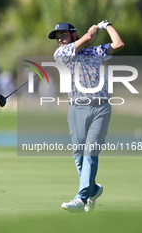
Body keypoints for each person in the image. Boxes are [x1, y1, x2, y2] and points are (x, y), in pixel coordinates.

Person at [49, 20, 124, 212]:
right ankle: (93, 190)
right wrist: (94, 29)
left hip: (101, 108)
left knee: (90, 152)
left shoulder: (94, 52)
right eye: (58, 38)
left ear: (74, 35)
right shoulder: (61, 53)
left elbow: (118, 44)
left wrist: (107, 25)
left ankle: (81, 198)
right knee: (78, 154)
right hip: (77, 109)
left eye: (63, 36)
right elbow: (89, 37)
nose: (60, 41)